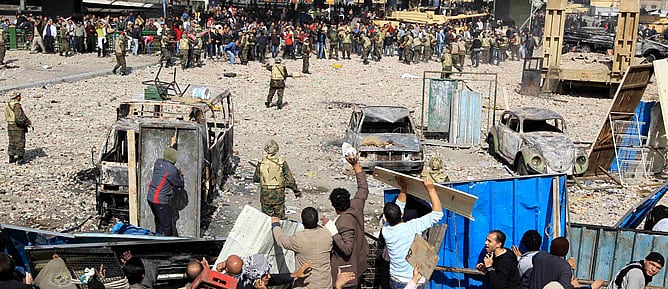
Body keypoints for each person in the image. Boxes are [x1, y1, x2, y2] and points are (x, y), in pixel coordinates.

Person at [382, 177, 443, 289]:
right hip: (413, 281)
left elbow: (399, 204)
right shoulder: (412, 227)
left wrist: (403, 188)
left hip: (396, 279)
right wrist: (431, 189)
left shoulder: (385, 230)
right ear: (401, 213)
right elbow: (438, 214)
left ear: (385, 218)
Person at [322, 154, 370, 288]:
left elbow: (347, 249)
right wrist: (356, 166)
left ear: (334, 205)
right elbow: (363, 188)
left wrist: (332, 229)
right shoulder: (356, 205)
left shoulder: (343, 223)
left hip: (348, 272)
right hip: (360, 263)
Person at [271, 207, 333, 289]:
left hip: (306, 285)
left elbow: (281, 240)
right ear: (317, 220)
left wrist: (275, 225)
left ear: (302, 222)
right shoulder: (327, 233)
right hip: (325, 284)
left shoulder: (299, 238)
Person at [529, 237, 604, 289]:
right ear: (566, 252)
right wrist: (575, 285)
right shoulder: (564, 267)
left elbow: (550, 265)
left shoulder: (539, 256)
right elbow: (565, 287)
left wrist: (564, 263)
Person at [146, 136, 185, 236]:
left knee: (158, 222)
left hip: (151, 198)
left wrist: (172, 144)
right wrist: (181, 175)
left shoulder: (158, 162)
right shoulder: (171, 169)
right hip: (160, 201)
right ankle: (165, 244)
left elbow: (168, 156)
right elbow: (178, 183)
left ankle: (158, 239)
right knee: (167, 226)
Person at [253, 139, 301, 218]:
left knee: (266, 217)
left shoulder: (261, 162)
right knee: (280, 217)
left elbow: (256, 178)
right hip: (278, 193)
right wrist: (296, 191)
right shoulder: (281, 162)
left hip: (265, 193)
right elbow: (290, 180)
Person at [5, 91, 31, 164]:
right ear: (17, 97)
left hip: (10, 125)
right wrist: (26, 123)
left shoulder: (8, 104)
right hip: (17, 126)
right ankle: (20, 159)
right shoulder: (16, 105)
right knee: (20, 141)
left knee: (12, 141)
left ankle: (11, 157)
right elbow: (19, 118)